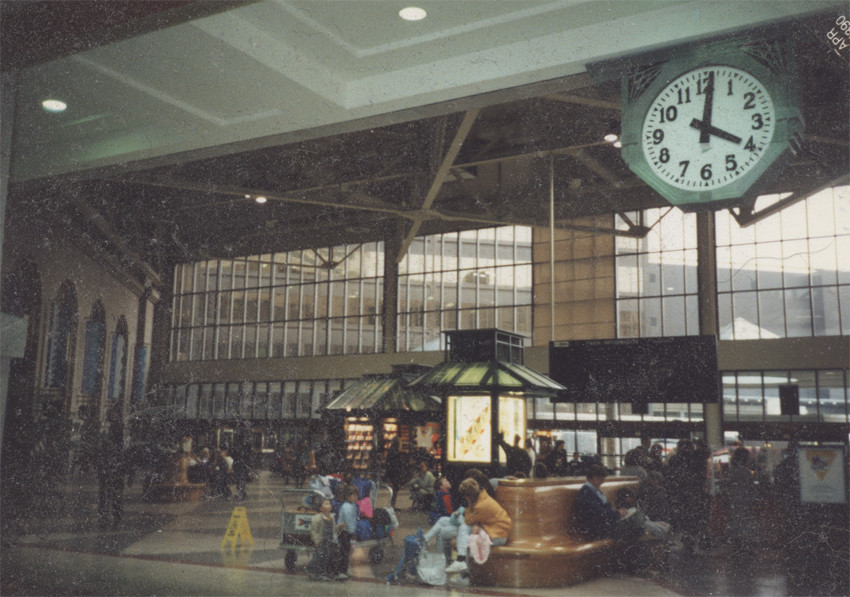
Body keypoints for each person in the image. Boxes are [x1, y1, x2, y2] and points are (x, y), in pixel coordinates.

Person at [445, 478, 512, 574]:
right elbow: (475, 516)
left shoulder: (480, 506)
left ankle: (461, 561)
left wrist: (466, 511)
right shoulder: (483, 497)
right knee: (464, 532)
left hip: (498, 535)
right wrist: (475, 522)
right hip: (496, 529)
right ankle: (462, 563)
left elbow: (468, 519)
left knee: (464, 529)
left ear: (468, 496)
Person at [575, 464, 643, 542]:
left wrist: (618, 513)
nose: (602, 482)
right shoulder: (586, 493)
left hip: (605, 525)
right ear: (594, 478)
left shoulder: (594, 490)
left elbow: (605, 509)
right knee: (636, 527)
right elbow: (600, 512)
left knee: (636, 520)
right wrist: (618, 513)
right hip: (597, 529)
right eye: (601, 480)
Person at [723, 447, 755, 552]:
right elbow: (751, 489)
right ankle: (744, 548)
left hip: (733, 503)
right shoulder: (746, 472)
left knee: (735, 526)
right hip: (744, 503)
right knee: (745, 527)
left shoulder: (732, 471)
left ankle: (736, 548)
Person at [306, 498, 343, 581]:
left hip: (329, 541)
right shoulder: (317, 518)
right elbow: (314, 530)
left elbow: (333, 530)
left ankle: (321, 573)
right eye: (326, 504)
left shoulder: (331, 518)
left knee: (325, 558)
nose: (329, 505)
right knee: (318, 558)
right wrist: (316, 540)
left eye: (329, 503)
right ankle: (312, 570)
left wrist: (339, 527)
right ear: (320, 508)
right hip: (321, 541)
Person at [335, 484, 359, 581]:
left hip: (347, 532)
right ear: (348, 496)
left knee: (346, 552)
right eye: (354, 496)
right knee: (344, 552)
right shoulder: (347, 507)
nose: (356, 497)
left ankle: (344, 569)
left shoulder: (351, 505)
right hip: (345, 532)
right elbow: (349, 521)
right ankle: (341, 571)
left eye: (356, 495)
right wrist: (352, 532)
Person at [384, 437, 408, 508]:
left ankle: (392, 505)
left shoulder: (390, 452)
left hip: (391, 472)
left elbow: (387, 463)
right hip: (396, 473)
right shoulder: (398, 453)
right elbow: (400, 464)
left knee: (394, 490)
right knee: (395, 490)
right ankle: (392, 505)